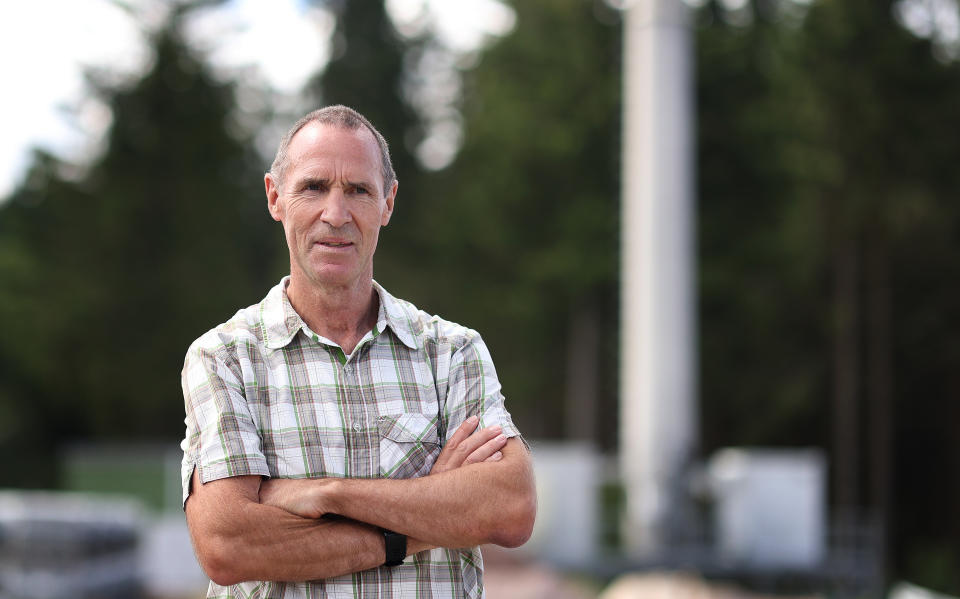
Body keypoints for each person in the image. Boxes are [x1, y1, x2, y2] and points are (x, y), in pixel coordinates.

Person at [180, 105, 536, 598]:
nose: (335, 214)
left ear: (387, 203)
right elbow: (227, 547)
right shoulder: (225, 359)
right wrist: (428, 516)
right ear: (275, 197)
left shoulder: (452, 352)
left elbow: (510, 509)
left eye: (358, 190)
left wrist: (326, 494)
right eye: (313, 187)